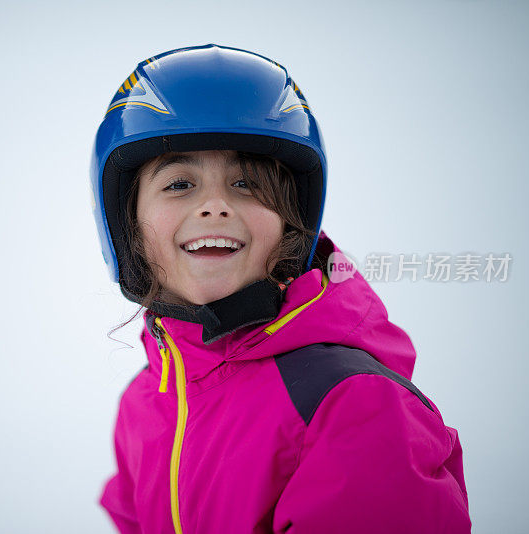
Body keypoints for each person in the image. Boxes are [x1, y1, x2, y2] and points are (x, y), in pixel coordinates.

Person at [89, 44, 471, 533]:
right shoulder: (149, 398)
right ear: (127, 226)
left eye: (247, 184)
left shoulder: (352, 405)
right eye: (179, 183)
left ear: (292, 226)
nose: (214, 206)